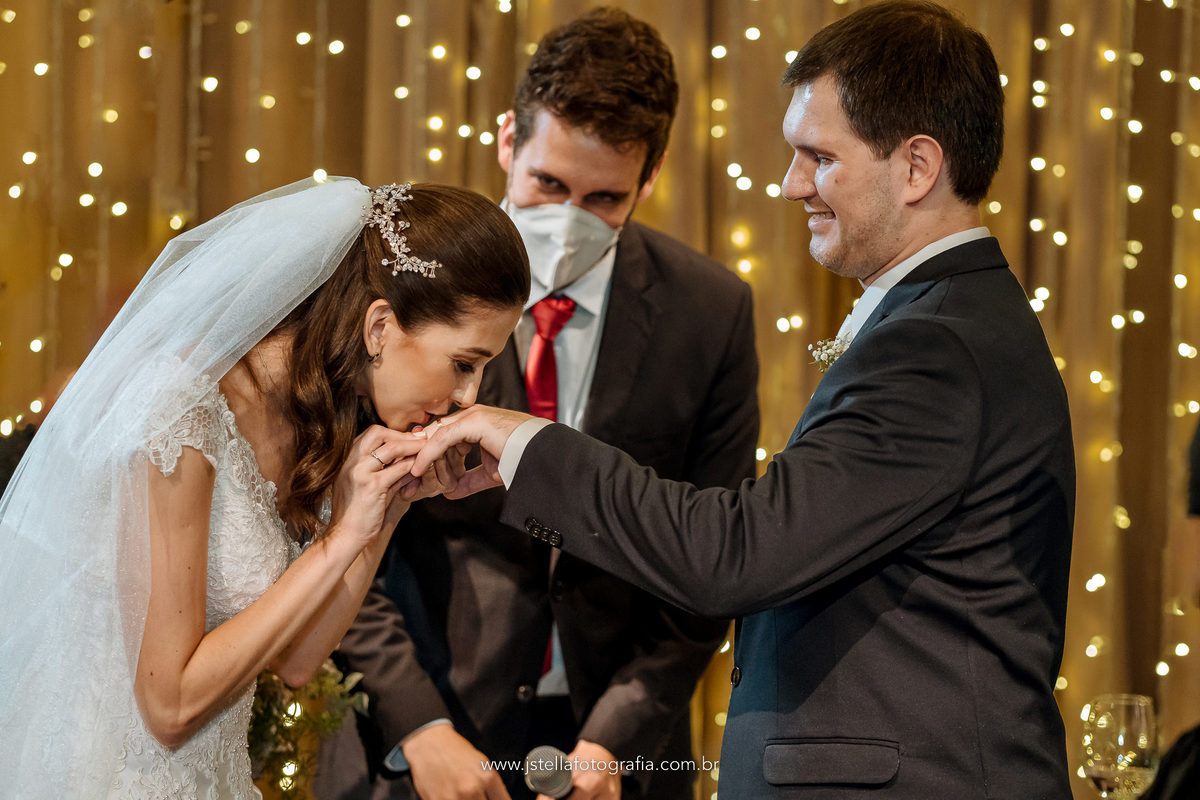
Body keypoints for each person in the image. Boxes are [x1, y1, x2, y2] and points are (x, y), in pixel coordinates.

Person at [411, 1, 1076, 797]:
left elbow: (737, 553)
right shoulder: (947, 324)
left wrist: (523, 444)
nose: (793, 185)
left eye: (817, 156)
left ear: (917, 167)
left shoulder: (936, 347)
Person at [316, 8, 759, 800]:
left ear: (649, 179)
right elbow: (332, 513)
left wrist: (619, 731)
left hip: (613, 748)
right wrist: (418, 722)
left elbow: (709, 548)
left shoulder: (711, 312)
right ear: (506, 143)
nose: (567, 219)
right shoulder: (409, 271)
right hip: (423, 734)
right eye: (548, 183)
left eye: (604, 199)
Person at [0, 177, 529, 798]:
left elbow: (298, 659)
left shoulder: (321, 416)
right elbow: (167, 707)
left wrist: (387, 510)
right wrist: (339, 543)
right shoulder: (182, 408)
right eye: (464, 363)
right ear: (380, 326)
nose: (470, 397)